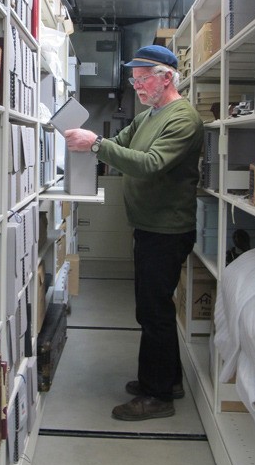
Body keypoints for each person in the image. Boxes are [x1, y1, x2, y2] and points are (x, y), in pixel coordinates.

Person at [63, 44, 204, 420]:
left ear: (167, 77)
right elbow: (121, 144)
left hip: (166, 229)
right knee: (154, 308)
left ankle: (157, 397)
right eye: (134, 79)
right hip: (149, 226)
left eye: (144, 79)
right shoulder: (150, 115)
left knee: (153, 311)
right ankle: (168, 379)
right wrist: (94, 141)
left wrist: (97, 144)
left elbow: (151, 164)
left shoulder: (183, 118)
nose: (137, 86)